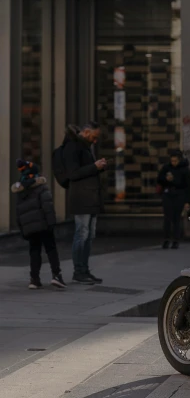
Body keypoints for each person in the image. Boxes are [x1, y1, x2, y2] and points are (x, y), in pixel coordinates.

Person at [62, 122, 106, 285]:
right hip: (81, 198)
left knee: (89, 235)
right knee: (82, 234)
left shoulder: (87, 146)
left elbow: (87, 170)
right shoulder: (73, 146)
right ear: (86, 132)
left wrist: (98, 167)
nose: (95, 141)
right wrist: (94, 166)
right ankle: (78, 271)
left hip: (91, 197)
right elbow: (72, 173)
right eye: (94, 137)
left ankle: (85, 270)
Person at [12, 160, 66, 290]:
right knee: (51, 249)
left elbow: (19, 212)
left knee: (34, 251)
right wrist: (52, 223)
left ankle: (34, 279)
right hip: (44, 225)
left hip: (30, 228)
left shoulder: (20, 192)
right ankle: (56, 275)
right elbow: (48, 207)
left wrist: (22, 229)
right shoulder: (41, 187)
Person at [157, 150, 190, 249]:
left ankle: (176, 240)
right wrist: (166, 179)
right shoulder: (166, 168)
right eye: (172, 161)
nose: (173, 163)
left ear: (179, 160)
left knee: (176, 218)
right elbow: (159, 179)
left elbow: (189, 186)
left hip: (179, 195)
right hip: (168, 194)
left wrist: (187, 201)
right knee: (167, 218)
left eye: (175, 161)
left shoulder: (185, 169)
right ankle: (166, 239)